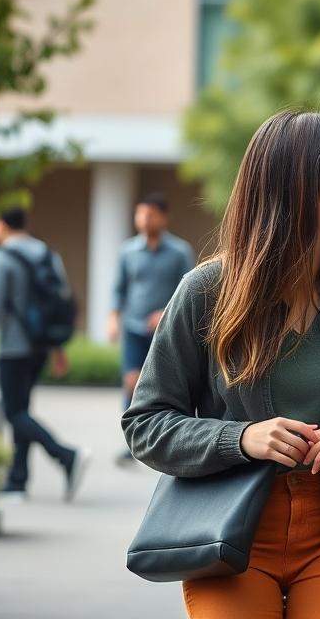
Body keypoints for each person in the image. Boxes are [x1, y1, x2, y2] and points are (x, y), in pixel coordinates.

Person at [122, 110, 320, 618]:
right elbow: (145, 425)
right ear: (297, 185)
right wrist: (241, 438)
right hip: (229, 534)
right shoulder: (206, 293)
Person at [0, 207, 89, 500]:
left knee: (14, 412)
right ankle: (17, 480)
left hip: (13, 346)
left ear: (1, 225)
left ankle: (66, 455)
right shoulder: (47, 254)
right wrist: (58, 348)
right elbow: (58, 302)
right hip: (40, 347)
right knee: (22, 409)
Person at [108, 191, 195, 465]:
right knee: (131, 382)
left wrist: (165, 313)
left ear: (163, 217)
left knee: (167, 384)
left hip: (166, 331)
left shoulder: (180, 252)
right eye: (140, 214)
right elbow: (119, 288)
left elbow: (190, 292)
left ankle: (168, 440)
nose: (144, 219)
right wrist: (113, 318)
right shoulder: (128, 251)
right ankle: (133, 440)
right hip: (134, 328)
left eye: (150, 214)